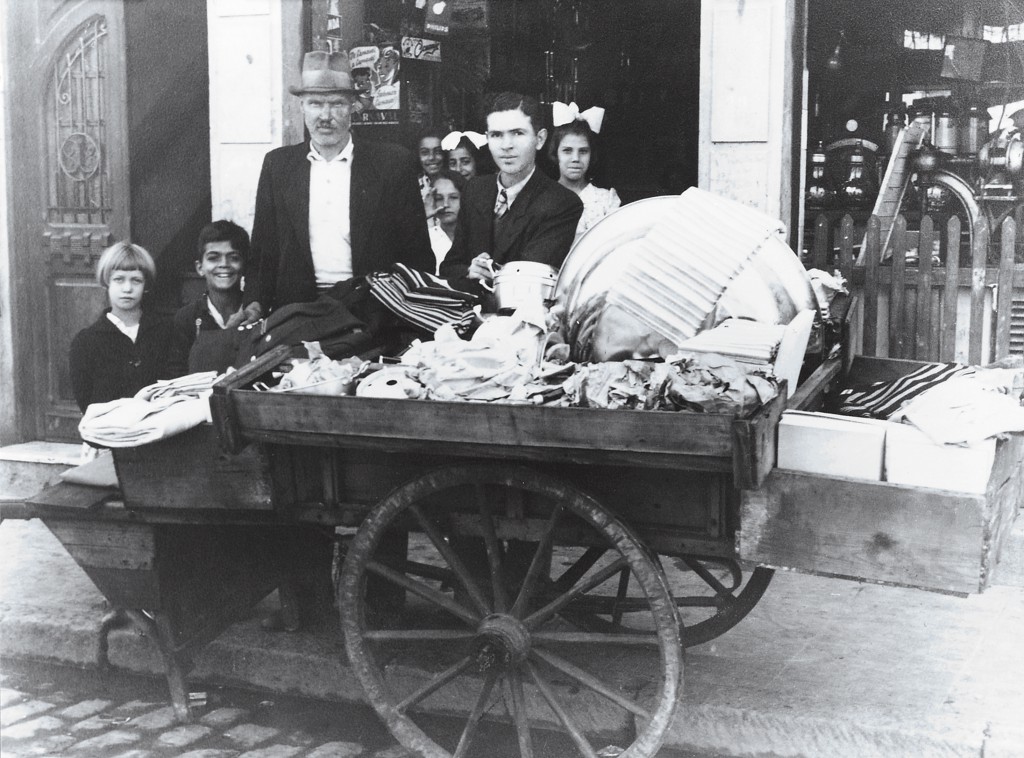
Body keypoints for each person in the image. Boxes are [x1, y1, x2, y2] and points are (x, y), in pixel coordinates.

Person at [244, 50, 433, 321]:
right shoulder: (278, 165)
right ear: (301, 106)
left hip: (373, 312)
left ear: (353, 106)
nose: (325, 115)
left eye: (336, 104)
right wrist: (254, 303)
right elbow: (263, 249)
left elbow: (417, 254)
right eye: (315, 103)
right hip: (298, 314)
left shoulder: (392, 163)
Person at [439, 92, 583, 297]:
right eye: (497, 135)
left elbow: (526, 279)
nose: (506, 145)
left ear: (540, 139)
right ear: (487, 138)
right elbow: (449, 268)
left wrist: (485, 271)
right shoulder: (475, 190)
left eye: (517, 133)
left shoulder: (562, 203)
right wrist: (468, 272)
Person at [69, 241, 172, 413]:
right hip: (111, 433)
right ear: (106, 282)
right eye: (119, 279)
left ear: (145, 285)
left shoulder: (165, 331)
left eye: (136, 280)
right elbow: (86, 402)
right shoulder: (86, 342)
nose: (127, 288)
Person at [166, 220, 249, 377]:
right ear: (200, 268)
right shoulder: (186, 319)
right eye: (213, 258)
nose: (224, 264)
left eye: (234, 257)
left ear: (244, 265)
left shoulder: (254, 314)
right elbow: (176, 377)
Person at [549, 107, 621, 241]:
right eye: (567, 151)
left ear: (591, 155)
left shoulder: (606, 200)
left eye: (583, 151)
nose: (575, 158)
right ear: (555, 153)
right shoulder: (543, 197)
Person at [424, 171, 465, 272]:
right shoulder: (426, 238)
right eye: (439, 198)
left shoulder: (477, 236)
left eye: (453, 197)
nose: (445, 204)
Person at [416, 130, 445, 200]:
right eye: (425, 152)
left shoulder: (455, 183)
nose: (431, 157)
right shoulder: (412, 186)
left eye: (438, 152)